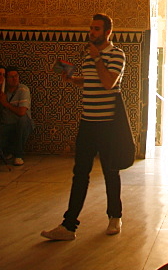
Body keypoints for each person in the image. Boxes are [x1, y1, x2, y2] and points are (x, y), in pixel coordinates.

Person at [41, 13, 126, 242]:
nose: (92, 32)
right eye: (91, 28)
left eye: (97, 29)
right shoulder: (89, 57)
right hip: (87, 122)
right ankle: (69, 226)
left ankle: (115, 216)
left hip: (108, 125)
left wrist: (98, 58)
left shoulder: (117, 55)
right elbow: (93, 81)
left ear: (108, 32)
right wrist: (74, 79)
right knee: (80, 174)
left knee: (110, 171)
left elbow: (109, 83)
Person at [0, 66, 34, 165]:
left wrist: (6, 104)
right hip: (7, 124)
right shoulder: (1, 92)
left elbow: (21, 112)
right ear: (6, 80)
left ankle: (18, 155)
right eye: (11, 77)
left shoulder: (23, 90)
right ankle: (8, 151)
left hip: (22, 124)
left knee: (22, 120)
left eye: (16, 76)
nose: (15, 79)